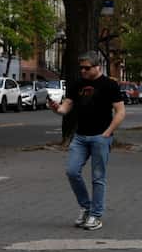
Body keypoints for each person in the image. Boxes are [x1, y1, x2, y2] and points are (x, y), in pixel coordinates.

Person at [49, 51, 125, 231]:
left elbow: (120, 112)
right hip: (80, 137)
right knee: (72, 171)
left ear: (97, 66)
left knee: (98, 178)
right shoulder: (77, 84)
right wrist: (56, 108)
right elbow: (65, 109)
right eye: (81, 67)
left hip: (100, 137)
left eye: (86, 68)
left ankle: (96, 216)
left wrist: (108, 132)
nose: (82, 70)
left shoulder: (109, 85)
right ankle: (86, 207)